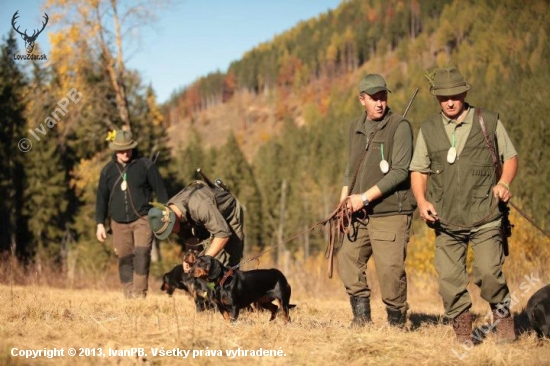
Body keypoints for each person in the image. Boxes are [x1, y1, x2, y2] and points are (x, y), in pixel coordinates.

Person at [409, 66, 518, 343]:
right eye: (443, 96)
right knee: (448, 280)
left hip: (486, 216)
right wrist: (421, 202)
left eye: (455, 95)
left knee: (489, 273)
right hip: (445, 220)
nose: (449, 101)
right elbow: (418, 170)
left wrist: (503, 183)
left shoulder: (488, 121)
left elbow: (511, 157)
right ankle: (462, 330)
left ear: (464, 92)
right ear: (437, 98)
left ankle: (503, 321)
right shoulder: (429, 129)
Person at [337, 74, 416, 328]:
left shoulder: (400, 126)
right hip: (358, 214)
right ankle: (361, 320)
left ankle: (396, 324)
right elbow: (351, 170)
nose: (380, 103)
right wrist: (343, 205)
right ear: (362, 100)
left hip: (391, 212)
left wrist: (363, 198)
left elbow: (401, 171)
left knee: (390, 272)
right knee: (348, 261)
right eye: (374, 98)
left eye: (383, 97)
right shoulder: (354, 127)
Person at [96, 128, 168, 299]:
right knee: (124, 258)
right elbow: (101, 199)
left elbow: (161, 191)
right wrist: (100, 223)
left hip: (143, 218)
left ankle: (139, 293)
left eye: (127, 149)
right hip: (118, 222)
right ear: (115, 150)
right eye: (121, 150)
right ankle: (129, 295)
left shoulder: (146, 165)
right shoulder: (107, 171)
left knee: (142, 254)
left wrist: (166, 213)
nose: (125, 153)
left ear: (132, 147)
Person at [147, 179, 244, 271]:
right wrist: (189, 258)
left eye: (170, 230)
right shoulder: (171, 212)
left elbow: (223, 235)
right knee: (209, 265)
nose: (172, 233)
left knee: (228, 263)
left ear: (173, 220)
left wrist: (202, 261)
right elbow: (189, 237)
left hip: (228, 213)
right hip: (205, 223)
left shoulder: (199, 205)